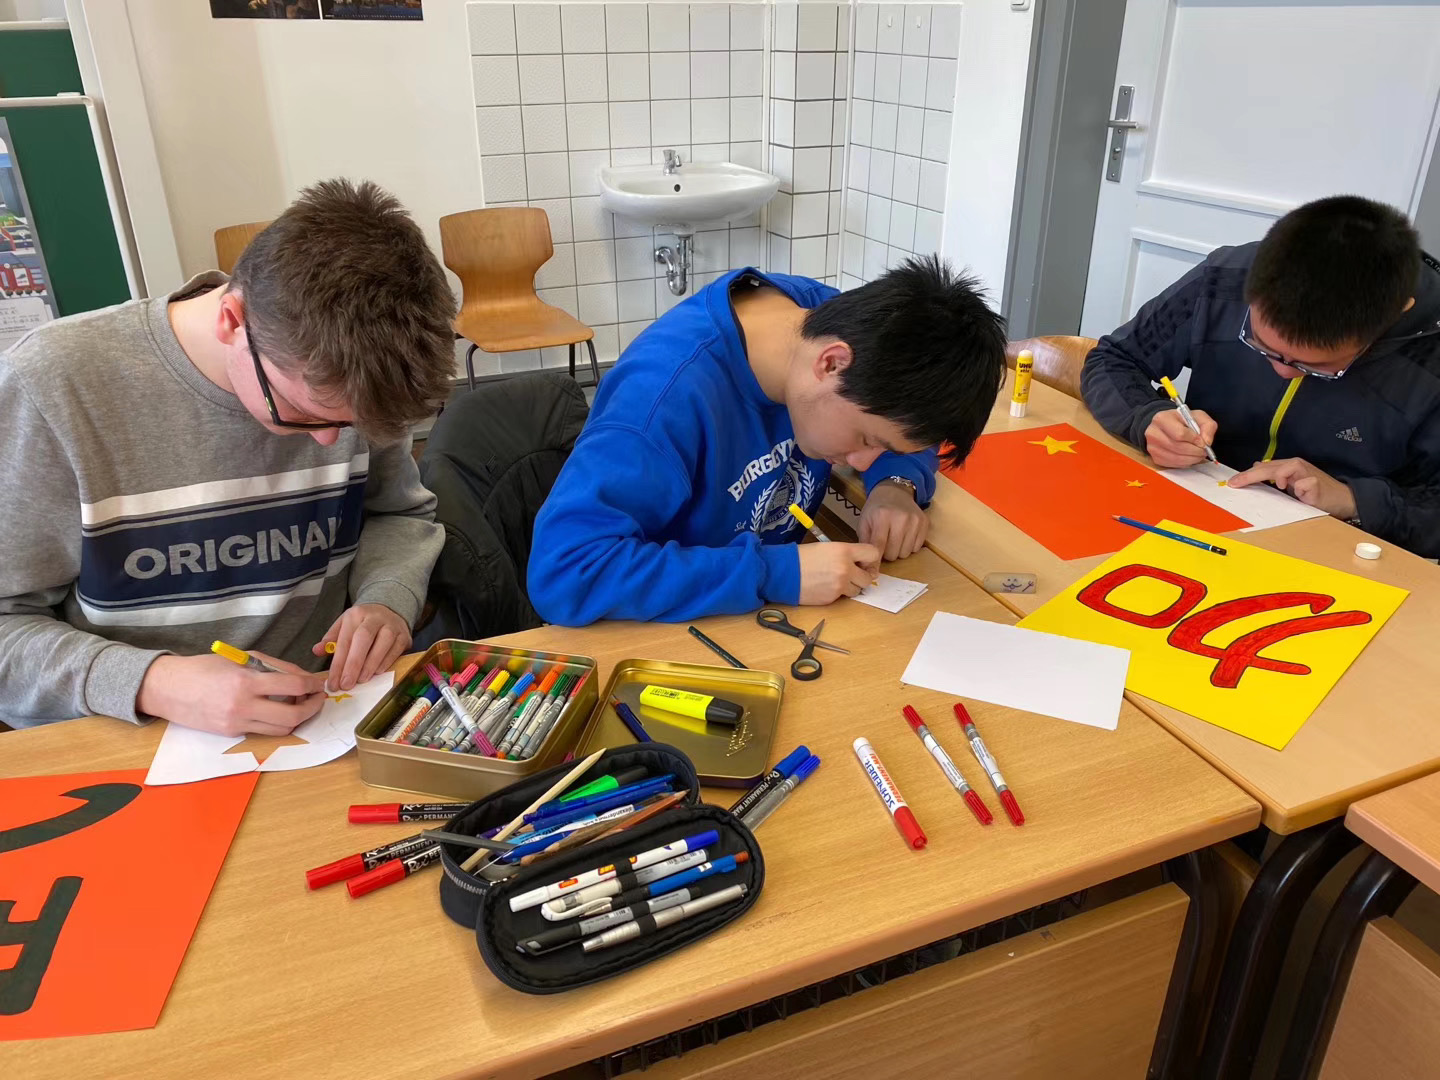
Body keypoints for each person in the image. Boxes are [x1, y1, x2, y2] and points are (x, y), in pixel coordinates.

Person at [0, 179, 456, 732]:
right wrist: (153, 682)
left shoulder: (356, 383)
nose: (328, 443)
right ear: (232, 320)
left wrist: (387, 598)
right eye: (301, 412)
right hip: (123, 734)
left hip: (319, 719)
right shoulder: (50, 386)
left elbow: (396, 513)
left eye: (349, 424)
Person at [527, 256, 1007, 626]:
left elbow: (909, 427)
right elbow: (566, 572)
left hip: (771, 610)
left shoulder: (833, 322)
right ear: (831, 364)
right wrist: (774, 573)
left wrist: (896, 483)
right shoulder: (661, 401)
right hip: (673, 630)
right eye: (866, 438)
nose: (861, 463)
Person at [1082, 195, 1440, 556]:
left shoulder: (1430, 358)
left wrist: (1353, 499)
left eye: (1315, 366)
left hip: (1335, 550)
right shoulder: (1225, 279)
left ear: (1394, 315)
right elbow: (1113, 359)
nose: (1282, 371)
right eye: (1260, 344)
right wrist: (1146, 416)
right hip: (1197, 507)